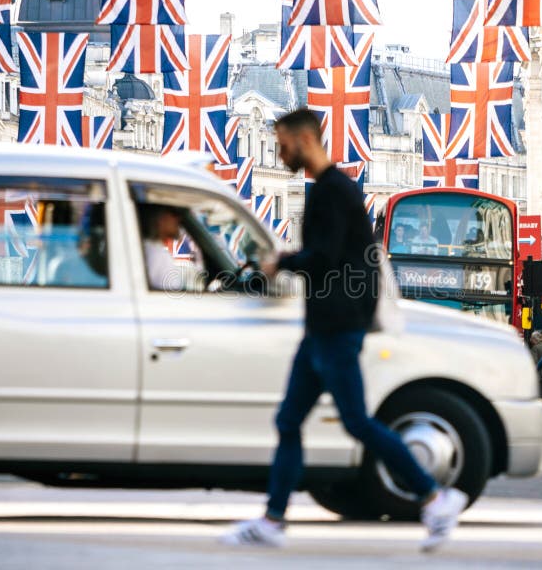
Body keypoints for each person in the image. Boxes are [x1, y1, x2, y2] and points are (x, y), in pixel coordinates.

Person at [221, 108, 467, 551]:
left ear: (303, 140)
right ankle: (273, 521)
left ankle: (435, 494)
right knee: (290, 419)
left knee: (356, 421)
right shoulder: (333, 190)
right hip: (322, 329)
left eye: (281, 144)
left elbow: (324, 257)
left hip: (336, 330)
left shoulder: (332, 191)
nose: (278, 154)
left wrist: (281, 261)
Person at [141, 205, 204, 292]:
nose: (179, 219)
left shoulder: (149, 248)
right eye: (174, 213)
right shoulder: (157, 255)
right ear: (160, 219)